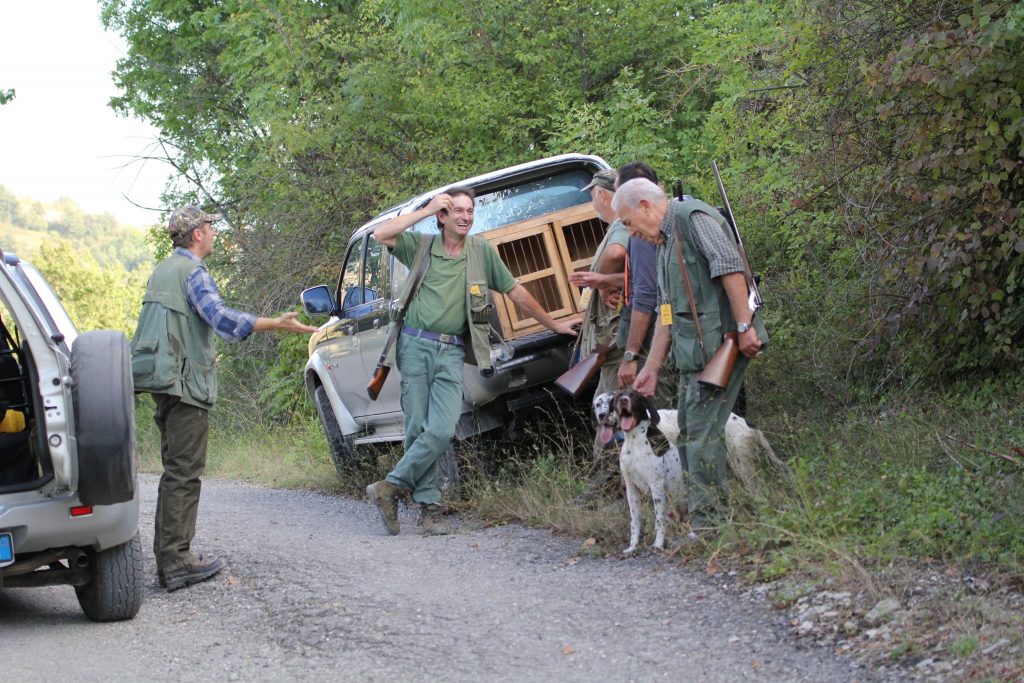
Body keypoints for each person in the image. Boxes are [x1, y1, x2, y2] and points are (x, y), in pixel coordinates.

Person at [366, 188, 578, 536]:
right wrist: (426, 208)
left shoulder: (481, 251)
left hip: (452, 350)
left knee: (443, 429)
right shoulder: (420, 246)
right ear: (443, 218)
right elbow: (381, 234)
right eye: (457, 211)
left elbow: (515, 291)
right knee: (418, 428)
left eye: (470, 211)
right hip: (414, 346)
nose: (466, 216)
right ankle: (429, 510)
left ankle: (390, 486)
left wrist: (553, 324)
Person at [131, 205, 317, 591]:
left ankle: (170, 558)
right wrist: (276, 324)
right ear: (197, 234)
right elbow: (222, 321)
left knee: (174, 472)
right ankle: (177, 562)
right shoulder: (192, 272)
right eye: (210, 227)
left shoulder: (162, 270)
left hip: (163, 384)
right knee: (184, 473)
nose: (214, 233)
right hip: (185, 385)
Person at [612, 179, 766, 532]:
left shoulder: (692, 217)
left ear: (646, 207)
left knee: (699, 435)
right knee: (686, 435)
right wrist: (651, 367)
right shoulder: (665, 244)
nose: (632, 234)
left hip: (720, 347)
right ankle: (707, 521)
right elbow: (667, 310)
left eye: (630, 223)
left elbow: (729, 266)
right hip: (691, 357)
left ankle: (712, 527)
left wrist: (744, 328)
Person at [566, 168, 628, 462]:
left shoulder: (619, 226)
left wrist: (602, 284)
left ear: (601, 194)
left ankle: (603, 481)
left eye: (593, 196)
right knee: (606, 407)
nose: (593, 202)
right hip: (610, 335)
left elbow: (616, 255)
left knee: (608, 410)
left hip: (616, 338)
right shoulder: (618, 225)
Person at [613, 162, 677, 409]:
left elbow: (647, 296)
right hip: (676, 340)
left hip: (655, 344)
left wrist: (631, 356)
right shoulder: (671, 220)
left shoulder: (641, 231)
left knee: (661, 418)